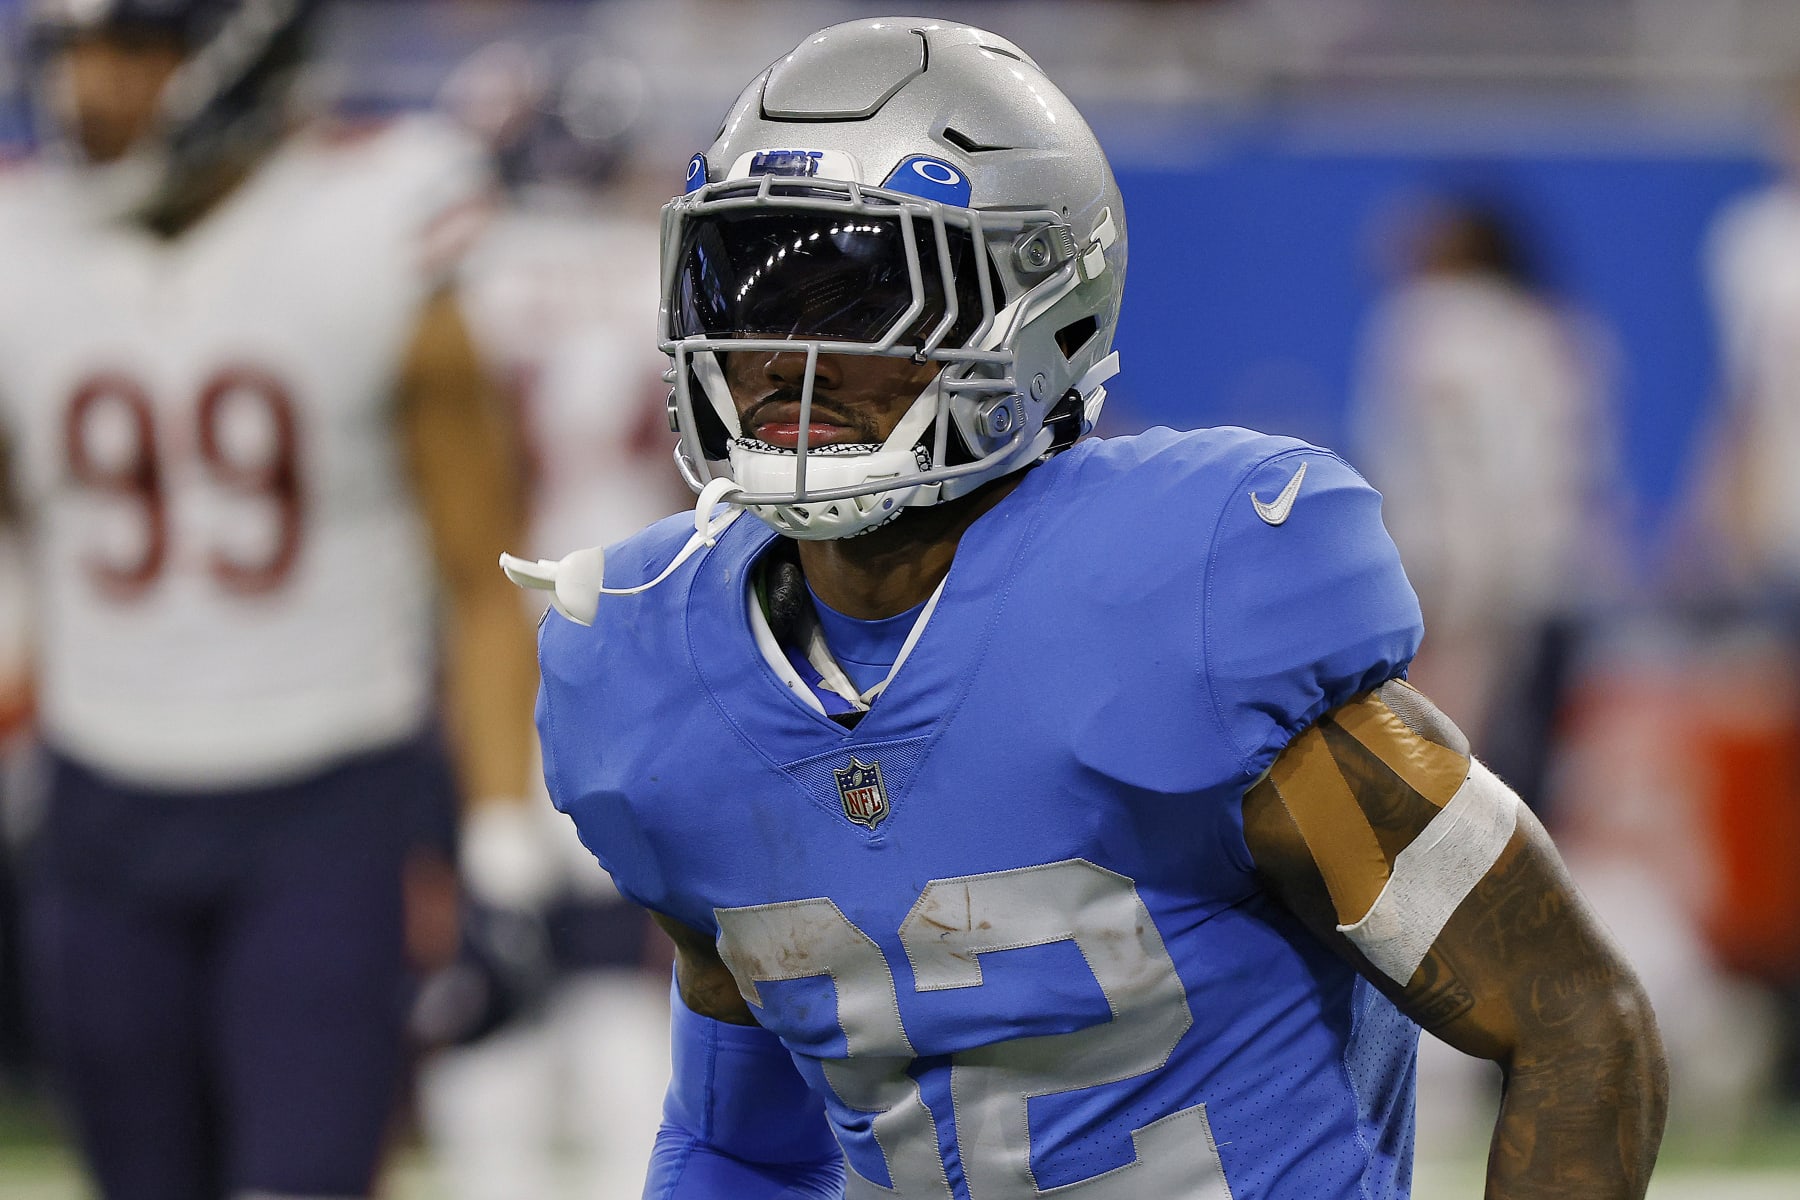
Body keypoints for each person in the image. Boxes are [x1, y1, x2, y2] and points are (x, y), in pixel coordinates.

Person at [511, 17, 1668, 1198]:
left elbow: (1575, 1021)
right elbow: (737, 1148)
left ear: (1034, 305)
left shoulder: (1191, 602)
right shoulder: (663, 672)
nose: (773, 354)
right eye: (743, 282)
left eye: (856, 295)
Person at [0, 2, 539, 1197]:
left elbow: (483, 576)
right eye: (74, 50)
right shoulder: (18, 238)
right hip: (96, 807)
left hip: (324, 807)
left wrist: (503, 857)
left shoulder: (376, 217)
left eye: (132, 48)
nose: (91, 88)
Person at [418, 36, 682, 1200]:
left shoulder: (461, 273)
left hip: (483, 657)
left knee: (487, 956)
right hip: (640, 646)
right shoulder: (661, 272)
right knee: (616, 960)